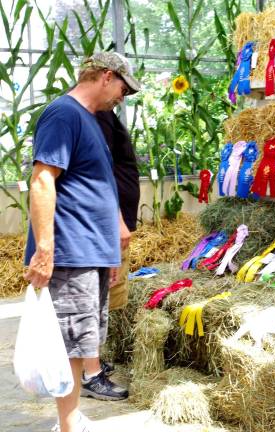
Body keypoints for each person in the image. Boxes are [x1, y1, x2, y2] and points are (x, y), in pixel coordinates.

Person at [24, 52, 140, 432]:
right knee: (70, 340)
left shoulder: (89, 120)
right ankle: (68, 424)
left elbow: (97, 188)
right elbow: (43, 181)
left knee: (81, 340)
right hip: (71, 252)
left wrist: (110, 248)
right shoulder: (64, 114)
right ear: (107, 76)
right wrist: (44, 250)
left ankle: (70, 417)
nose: (123, 96)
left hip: (91, 250)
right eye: (123, 87)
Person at [78, 106, 140, 401]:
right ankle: (90, 373)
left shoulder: (102, 115)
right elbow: (100, 174)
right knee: (97, 300)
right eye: (121, 87)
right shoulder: (96, 116)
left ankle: (91, 363)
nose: (122, 96)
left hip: (111, 224)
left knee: (104, 300)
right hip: (107, 227)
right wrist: (116, 222)